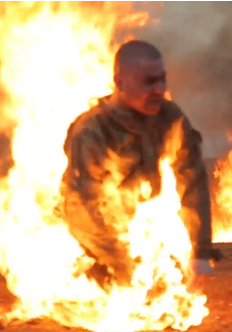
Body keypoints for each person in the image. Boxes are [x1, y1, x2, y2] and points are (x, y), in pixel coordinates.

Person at [60, 40, 221, 289]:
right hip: (89, 244)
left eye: (162, 80)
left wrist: (200, 252)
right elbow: (82, 210)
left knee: (168, 290)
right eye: (149, 82)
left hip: (138, 232)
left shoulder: (170, 118)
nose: (159, 89)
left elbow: (193, 180)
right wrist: (123, 266)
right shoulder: (92, 131)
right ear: (120, 82)